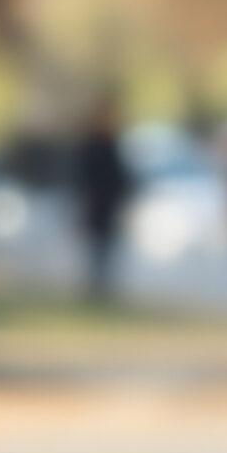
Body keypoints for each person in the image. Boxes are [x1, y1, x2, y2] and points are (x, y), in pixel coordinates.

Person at [70, 99, 135, 303]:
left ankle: (102, 287)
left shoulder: (112, 144)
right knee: (96, 249)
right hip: (97, 204)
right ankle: (95, 288)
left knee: (107, 248)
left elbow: (119, 176)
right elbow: (87, 179)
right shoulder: (93, 146)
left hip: (110, 205)